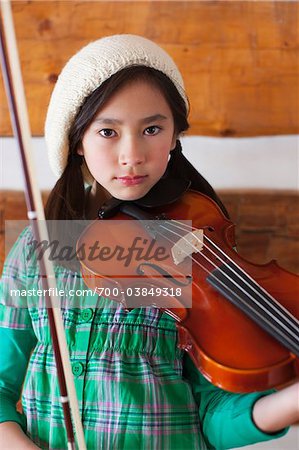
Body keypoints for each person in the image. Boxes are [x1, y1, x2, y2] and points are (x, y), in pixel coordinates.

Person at [0, 34, 298, 450]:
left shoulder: (197, 243)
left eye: (152, 129)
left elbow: (212, 417)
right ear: (78, 142)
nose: (132, 154)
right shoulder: (37, 250)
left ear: (175, 136)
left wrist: (290, 402)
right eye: (107, 131)